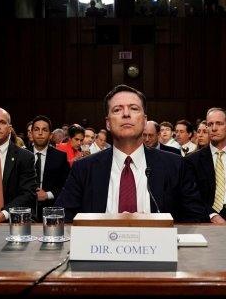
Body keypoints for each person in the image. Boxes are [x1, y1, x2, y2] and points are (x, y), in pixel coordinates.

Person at [55, 85, 205, 222]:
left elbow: (196, 217)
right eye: (117, 110)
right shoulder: (84, 168)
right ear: (108, 123)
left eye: (134, 108)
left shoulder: (175, 165)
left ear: (145, 120)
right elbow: (61, 217)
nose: (126, 114)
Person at [30, 116, 70, 221]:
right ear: (31, 133)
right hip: (25, 209)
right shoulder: (21, 155)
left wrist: (47, 195)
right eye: (36, 129)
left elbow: (66, 185)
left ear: (50, 135)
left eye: (44, 130)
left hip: (51, 210)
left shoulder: (60, 157)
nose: (40, 133)